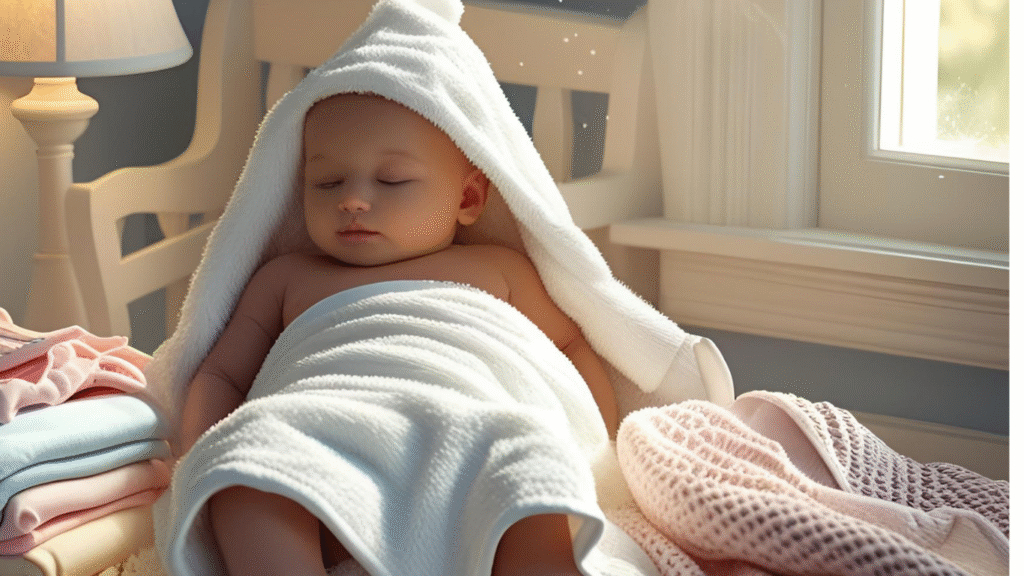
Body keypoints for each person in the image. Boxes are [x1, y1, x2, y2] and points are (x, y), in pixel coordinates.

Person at [178, 92, 620, 576]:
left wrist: (602, 449)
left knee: (530, 459)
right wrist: (201, 457)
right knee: (249, 462)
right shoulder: (286, 277)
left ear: (467, 199)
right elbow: (221, 372)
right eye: (325, 183)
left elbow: (568, 349)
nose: (350, 200)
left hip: (471, 427)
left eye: (392, 180)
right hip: (322, 436)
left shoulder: (496, 267)